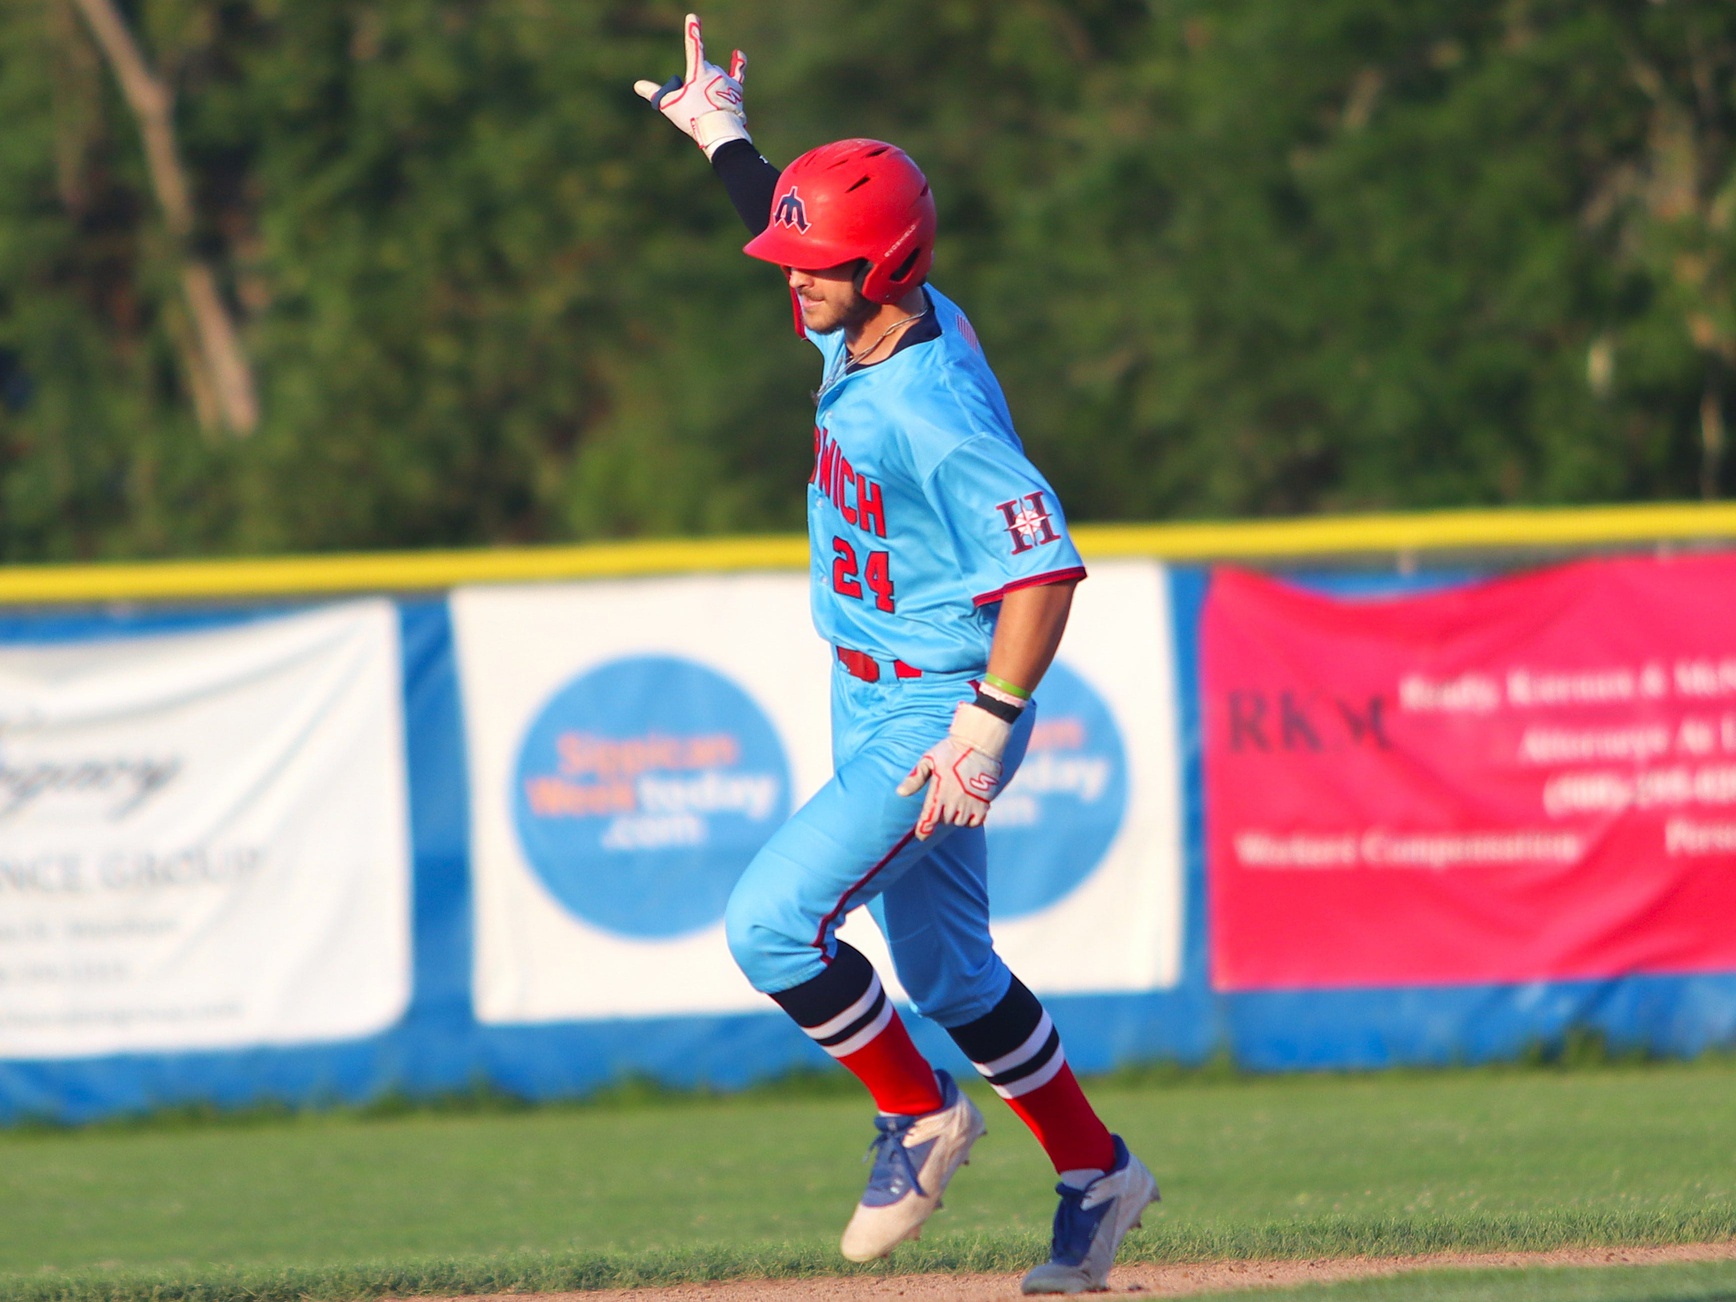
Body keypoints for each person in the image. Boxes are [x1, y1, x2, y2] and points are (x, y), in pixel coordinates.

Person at [634, 16, 1159, 1295]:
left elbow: (1042, 567)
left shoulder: (929, 400)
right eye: (793, 255)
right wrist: (726, 142)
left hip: (934, 706)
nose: (792, 275)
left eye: (816, 262)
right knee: (944, 968)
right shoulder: (867, 315)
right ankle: (1099, 1175)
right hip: (867, 682)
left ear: (885, 267)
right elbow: (791, 220)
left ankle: (920, 1115)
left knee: (769, 928)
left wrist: (985, 723)